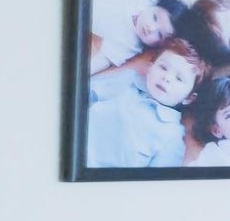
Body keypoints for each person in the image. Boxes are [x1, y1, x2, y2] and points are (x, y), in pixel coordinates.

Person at [84, 41, 202, 169]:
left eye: (179, 79)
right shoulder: (126, 82)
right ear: (150, 67)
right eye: (163, 67)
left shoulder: (172, 136)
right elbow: (84, 94)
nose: (166, 77)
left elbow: (157, 182)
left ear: (189, 98)